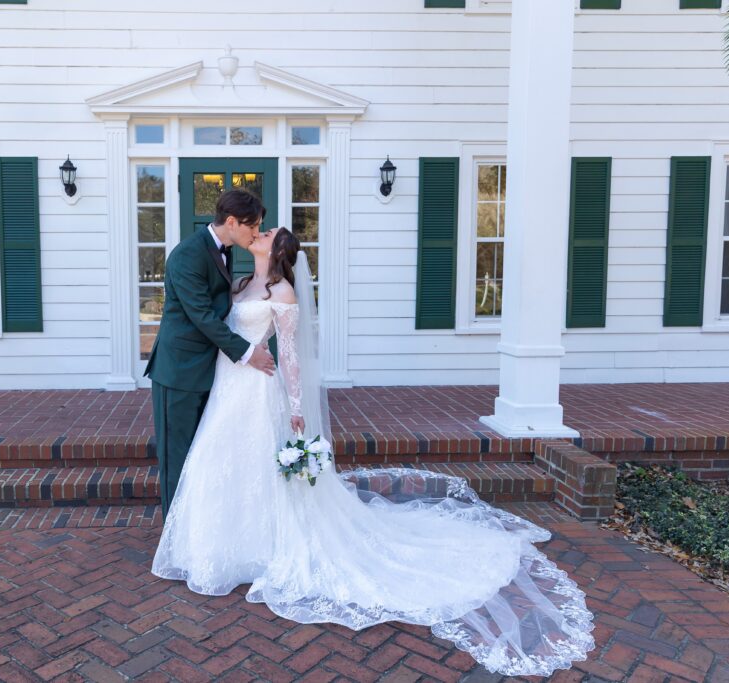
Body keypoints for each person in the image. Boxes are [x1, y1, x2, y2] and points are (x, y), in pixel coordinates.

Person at [151, 226, 597, 677]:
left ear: (279, 250)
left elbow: (289, 355)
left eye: (266, 233)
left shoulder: (283, 293)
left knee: (253, 466)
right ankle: (215, 543)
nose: (259, 233)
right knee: (218, 464)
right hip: (228, 387)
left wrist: (299, 408)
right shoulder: (241, 282)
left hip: (258, 390)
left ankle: (261, 548)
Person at [144, 190, 276, 517]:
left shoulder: (224, 249)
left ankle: (195, 532)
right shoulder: (188, 255)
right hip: (179, 372)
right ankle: (173, 542)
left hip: (208, 370)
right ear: (231, 222)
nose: (257, 233)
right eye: (253, 226)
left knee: (201, 457)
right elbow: (201, 316)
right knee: (178, 459)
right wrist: (248, 353)